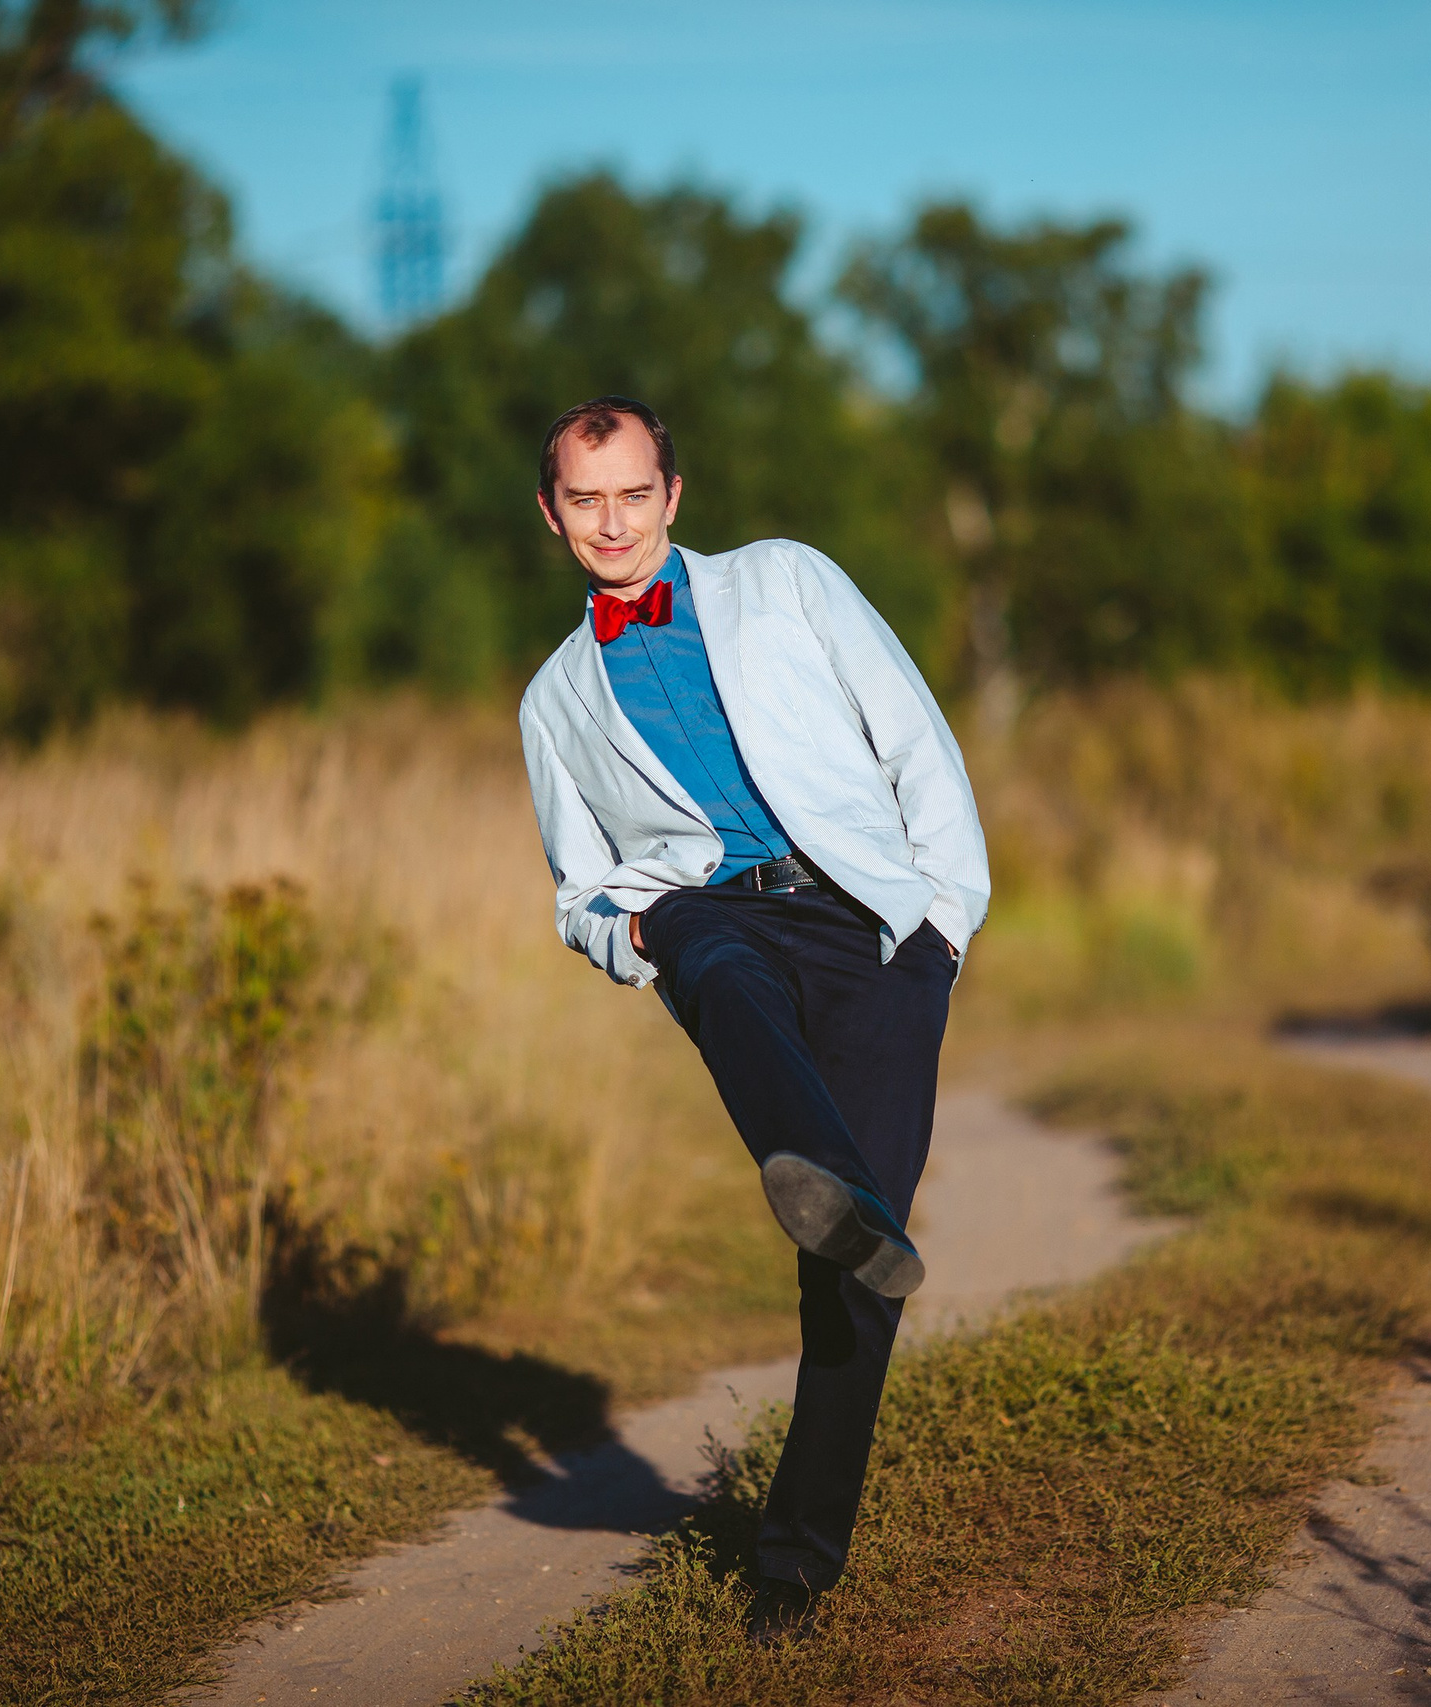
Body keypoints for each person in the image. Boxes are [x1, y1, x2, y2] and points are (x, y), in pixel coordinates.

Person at [517, 395, 991, 1643]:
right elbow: (579, 886)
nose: (610, 522)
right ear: (553, 513)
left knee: (857, 1265)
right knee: (714, 965)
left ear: (673, 496)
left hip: (869, 922)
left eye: (632, 494)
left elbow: (915, 737)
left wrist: (943, 919)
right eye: (585, 499)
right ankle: (809, 1166)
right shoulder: (553, 700)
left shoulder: (786, 582)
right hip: (707, 917)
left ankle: (794, 1560)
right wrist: (627, 933)